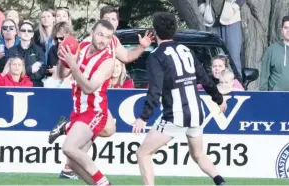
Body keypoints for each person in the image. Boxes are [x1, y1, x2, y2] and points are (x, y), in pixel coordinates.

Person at [131, 12, 228, 186]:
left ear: (155, 31)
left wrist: (143, 117)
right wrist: (219, 99)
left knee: (143, 153)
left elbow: (155, 90)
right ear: (174, 30)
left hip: (175, 114)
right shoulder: (186, 50)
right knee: (198, 154)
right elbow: (205, 79)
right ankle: (220, 182)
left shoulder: (156, 56)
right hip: (197, 112)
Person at [48, 5, 153, 143]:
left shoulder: (112, 40)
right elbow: (69, 70)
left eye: (113, 19)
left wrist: (142, 47)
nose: (110, 22)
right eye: (107, 19)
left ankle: (69, 137)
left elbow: (127, 57)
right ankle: (73, 150)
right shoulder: (88, 42)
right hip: (87, 94)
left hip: (98, 91)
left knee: (106, 129)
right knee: (95, 130)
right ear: (100, 23)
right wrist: (67, 66)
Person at [57, 20, 116, 186]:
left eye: (108, 37)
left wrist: (73, 64)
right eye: (100, 35)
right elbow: (63, 73)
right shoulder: (81, 46)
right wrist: (63, 60)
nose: (103, 40)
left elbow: (89, 88)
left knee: (69, 147)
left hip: (95, 111)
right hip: (78, 111)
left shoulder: (107, 61)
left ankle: (105, 184)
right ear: (92, 32)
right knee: (73, 163)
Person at [7, 21, 46, 87]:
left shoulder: (39, 50)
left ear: (32, 34)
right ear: (19, 33)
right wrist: (30, 69)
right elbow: (10, 71)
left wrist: (20, 71)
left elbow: (42, 71)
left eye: (29, 31)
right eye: (23, 30)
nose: (26, 32)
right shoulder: (11, 51)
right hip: (16, 85)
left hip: (35, 85)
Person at [259, 15, 289, 91]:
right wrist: (264, 95)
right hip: (276, 95)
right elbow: (264, 76)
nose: (288, 30)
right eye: (286, 28)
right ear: (282, 30)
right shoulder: (272, 50)